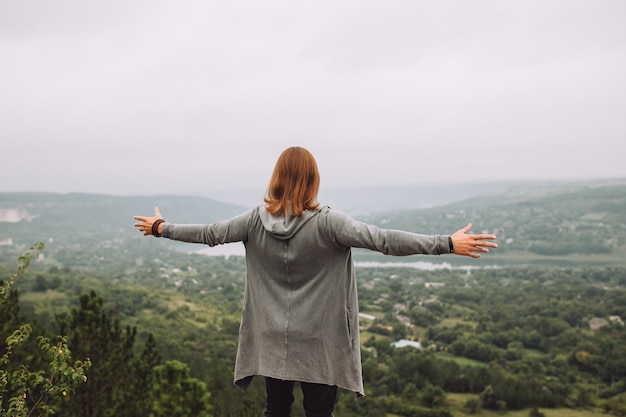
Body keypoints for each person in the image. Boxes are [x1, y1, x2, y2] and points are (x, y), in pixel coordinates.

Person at [133, 146, 497, 417]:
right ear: (313, 179)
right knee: (320, 413)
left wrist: (161, 228)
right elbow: (384, 240)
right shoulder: (329, 223)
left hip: (272, 337)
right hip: (321, 341)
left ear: (276, 178)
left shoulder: (253, 221)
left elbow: (209, 233)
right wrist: (446, 243)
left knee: (276, 408)